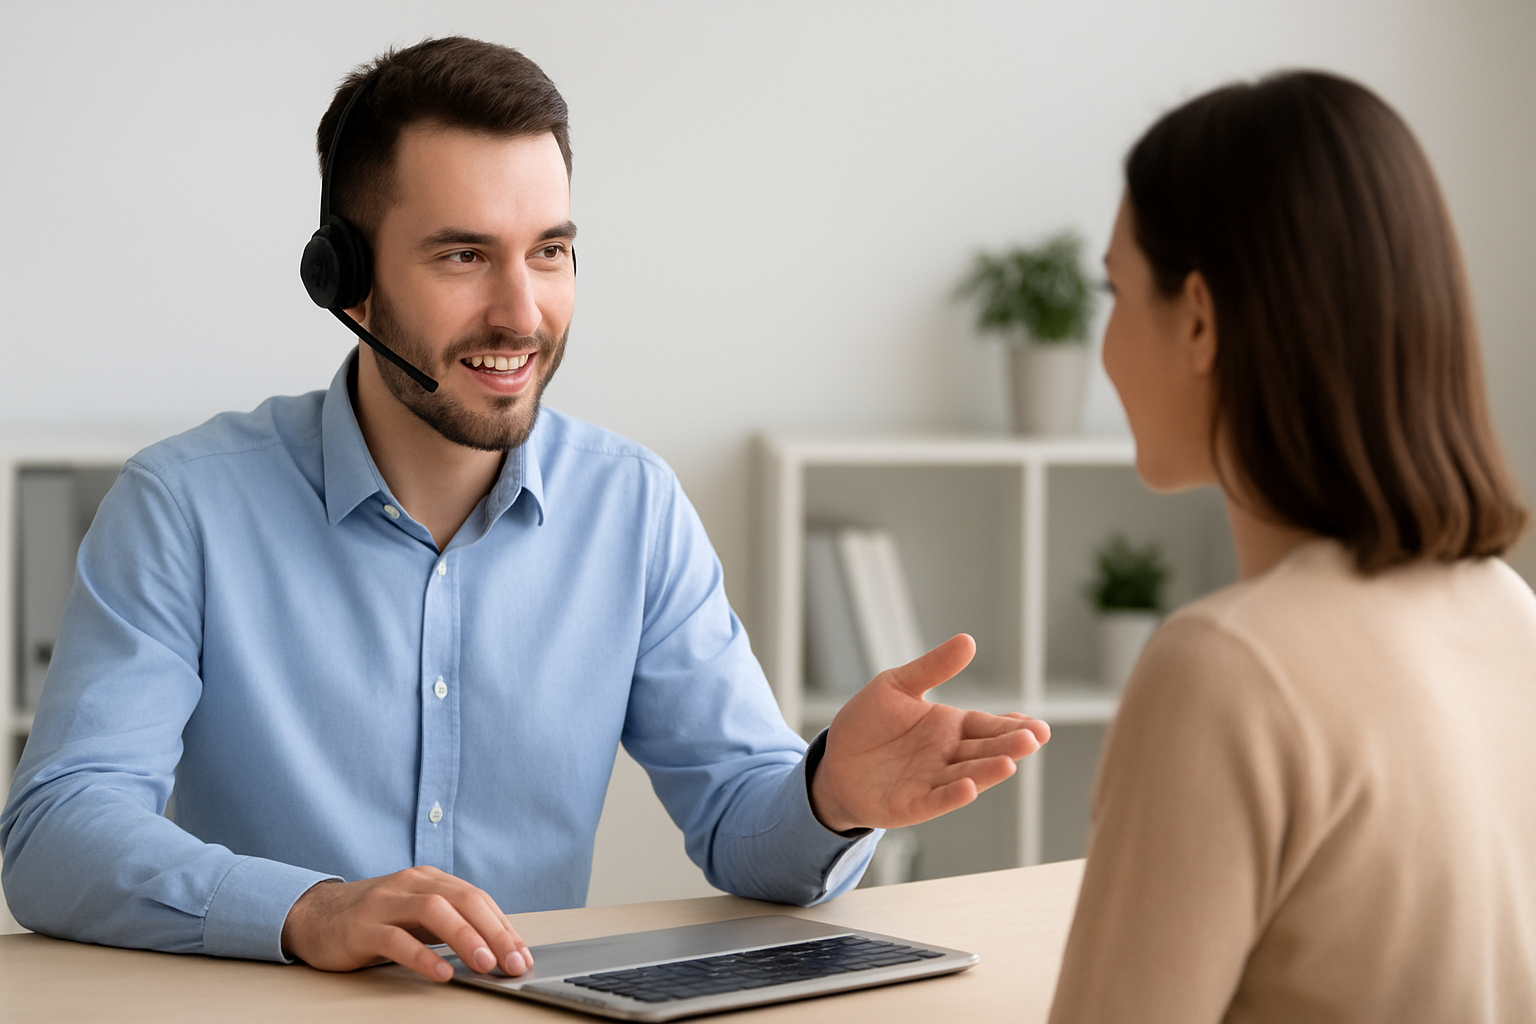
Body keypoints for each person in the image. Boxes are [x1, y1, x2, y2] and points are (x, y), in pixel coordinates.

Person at [1, 37, 1049, 985]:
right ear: (347, 283)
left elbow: (743, 824)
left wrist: (829, 795)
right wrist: (309, 909)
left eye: (549, 251)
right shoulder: (183, 505)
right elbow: (55, 831)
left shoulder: (631, 506)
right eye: (464, 255)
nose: (522, 311)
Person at [1047, 71, 1536, 1022]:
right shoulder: (1511, 613)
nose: (1103, 343)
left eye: (1116, 288)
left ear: (1198, 318)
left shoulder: (1224, 669)